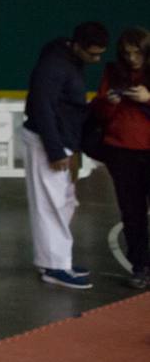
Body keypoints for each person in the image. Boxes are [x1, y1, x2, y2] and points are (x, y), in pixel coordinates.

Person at [21, 20, 109, 289]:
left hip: (63, 140)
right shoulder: (54, 66)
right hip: (46, 142)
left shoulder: (66, 57)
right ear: (78, 46)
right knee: (51, 205)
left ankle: (57, 261)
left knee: (64, 201)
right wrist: (56, 149)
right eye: (92, 54)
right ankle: (54, 268)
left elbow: (66, 108)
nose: (96, 60)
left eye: (99, 54)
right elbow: (42, 108)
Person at [90, 27, 150, 288]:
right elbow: (99, 112)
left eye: (138, 53)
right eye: (127, 53)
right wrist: (109, 102)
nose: (132, 59)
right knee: (132, 213)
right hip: (122, 152)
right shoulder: (113, 72)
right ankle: (140, 266)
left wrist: (149, 98)